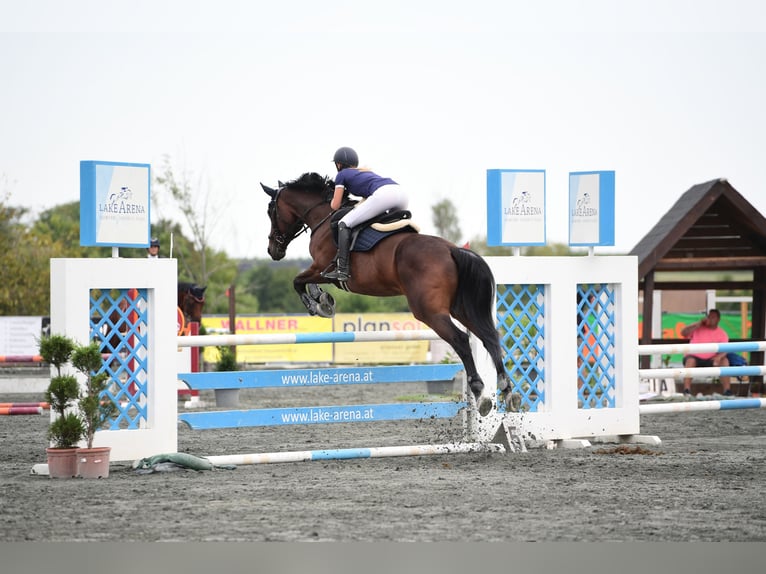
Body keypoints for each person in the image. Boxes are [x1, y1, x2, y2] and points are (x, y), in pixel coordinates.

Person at [321, 147, 408, 281]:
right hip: (401, 193)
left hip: (384, 195)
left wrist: (331, 199)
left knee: (344, 223)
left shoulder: (342, 175)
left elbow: (335, 205)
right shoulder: (362, 172)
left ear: (338, 164)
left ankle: (342, 270)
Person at [680, 308, 732, 396]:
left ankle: (727, 390)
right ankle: (687, 390)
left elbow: (725, 349)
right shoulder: (697, 328)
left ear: (718, 319)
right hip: (694, 356)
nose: (710, 319)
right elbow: (683, 333)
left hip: (711, 359)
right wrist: (698, 324)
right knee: (690, 361)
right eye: (709, 317)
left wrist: (719, 357)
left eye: (713, 317)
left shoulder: (722, 333)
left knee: (725, 361)